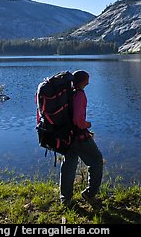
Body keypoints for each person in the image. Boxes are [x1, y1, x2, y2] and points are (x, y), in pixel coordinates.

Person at [59, 70, 104, 206]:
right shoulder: (79, 95)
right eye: (88, 77)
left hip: (67, 135)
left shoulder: (69, 93)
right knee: (96, 161)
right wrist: (87, 124)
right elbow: (78, 120)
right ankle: (89, 194)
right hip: (78, 136)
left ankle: (65, 199)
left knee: (69, 164)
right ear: (85, 80)